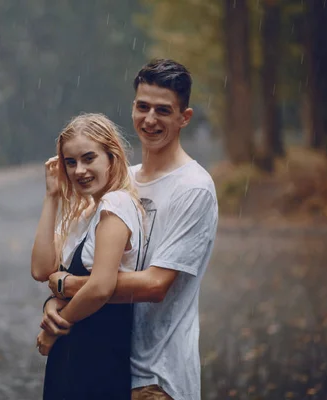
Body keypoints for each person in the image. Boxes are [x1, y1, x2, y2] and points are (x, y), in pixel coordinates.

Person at [41, 59, 219, 400]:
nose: (150, 119)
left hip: (157, 376)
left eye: (163, 110)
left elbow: (155, 284)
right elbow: (80, 259)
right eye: (143, 107)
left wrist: (70, 286)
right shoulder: (123, 181)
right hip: (109, 363)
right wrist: (55, 301)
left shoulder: (194, 188)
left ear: (185, 118)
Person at [30, 113, 144, 399]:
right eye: (71, 162)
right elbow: (41, 269)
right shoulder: (83, 212)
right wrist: (52, 196)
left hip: (99, 356)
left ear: (111, 157)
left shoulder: (116, 204)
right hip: (71, 355)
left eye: (89, 158)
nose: (79, 170)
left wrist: (54, 328)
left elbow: (101, 286)